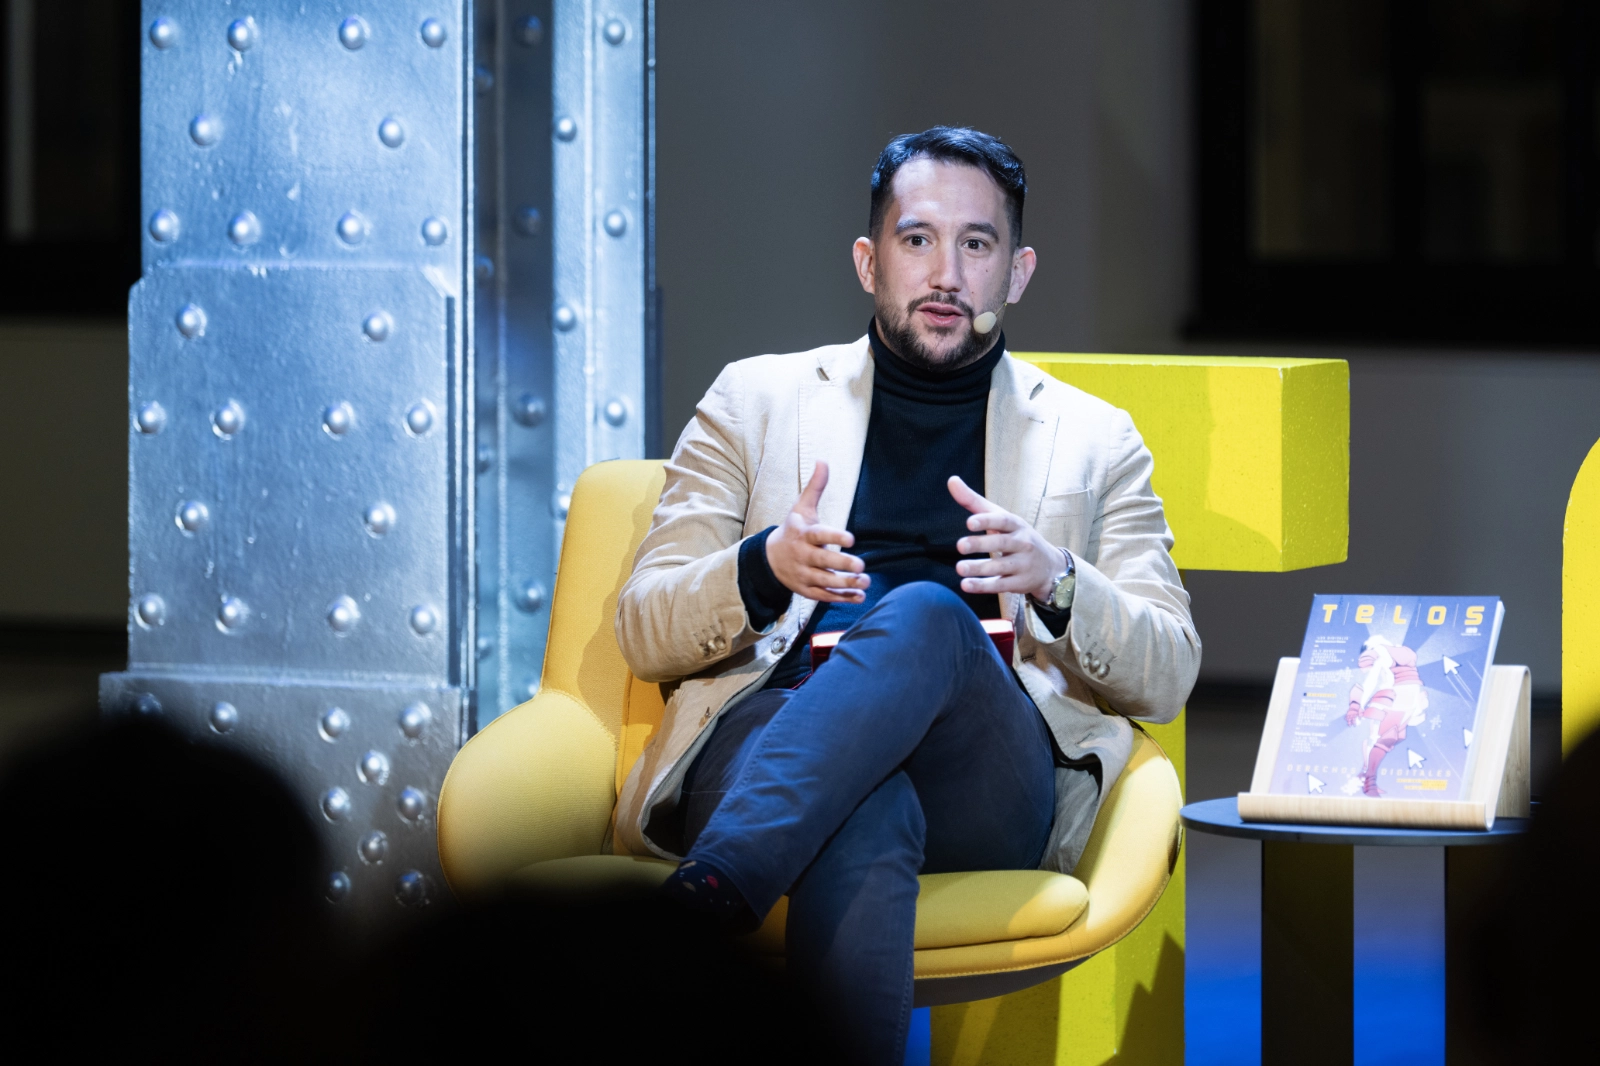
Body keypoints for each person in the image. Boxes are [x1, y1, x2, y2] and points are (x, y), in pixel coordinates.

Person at [613, 126, 1200, 1063]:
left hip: (984, 771)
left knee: (927, 614)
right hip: (771, 735)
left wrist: (1055, 578)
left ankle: (702, 906)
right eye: (917, 238)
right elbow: (644, 628)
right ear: (868, 261)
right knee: (866, 802)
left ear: (1018, 272)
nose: (947, 274)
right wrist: (765, 567)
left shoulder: (1096, 440)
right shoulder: (754, 402)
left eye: (978, 244)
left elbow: (1168, 671)